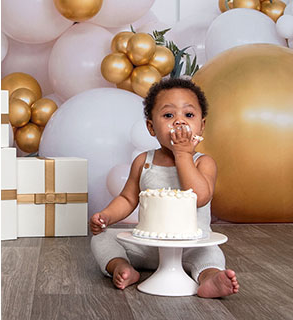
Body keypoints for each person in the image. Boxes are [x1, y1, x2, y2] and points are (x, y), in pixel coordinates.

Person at [90, 78, 239, 298]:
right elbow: (128, 199)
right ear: (151, 127)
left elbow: (199, 197)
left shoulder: (202, 162)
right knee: (102, 239)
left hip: (191, 246)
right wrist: (107, 216)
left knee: (211, 254)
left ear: (202, 125)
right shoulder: (144, 161)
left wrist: (183, 154)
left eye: (188, 115)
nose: (179, 122)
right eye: (168, 115)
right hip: (147, 246)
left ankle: (208, 278)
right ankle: (122, 267)